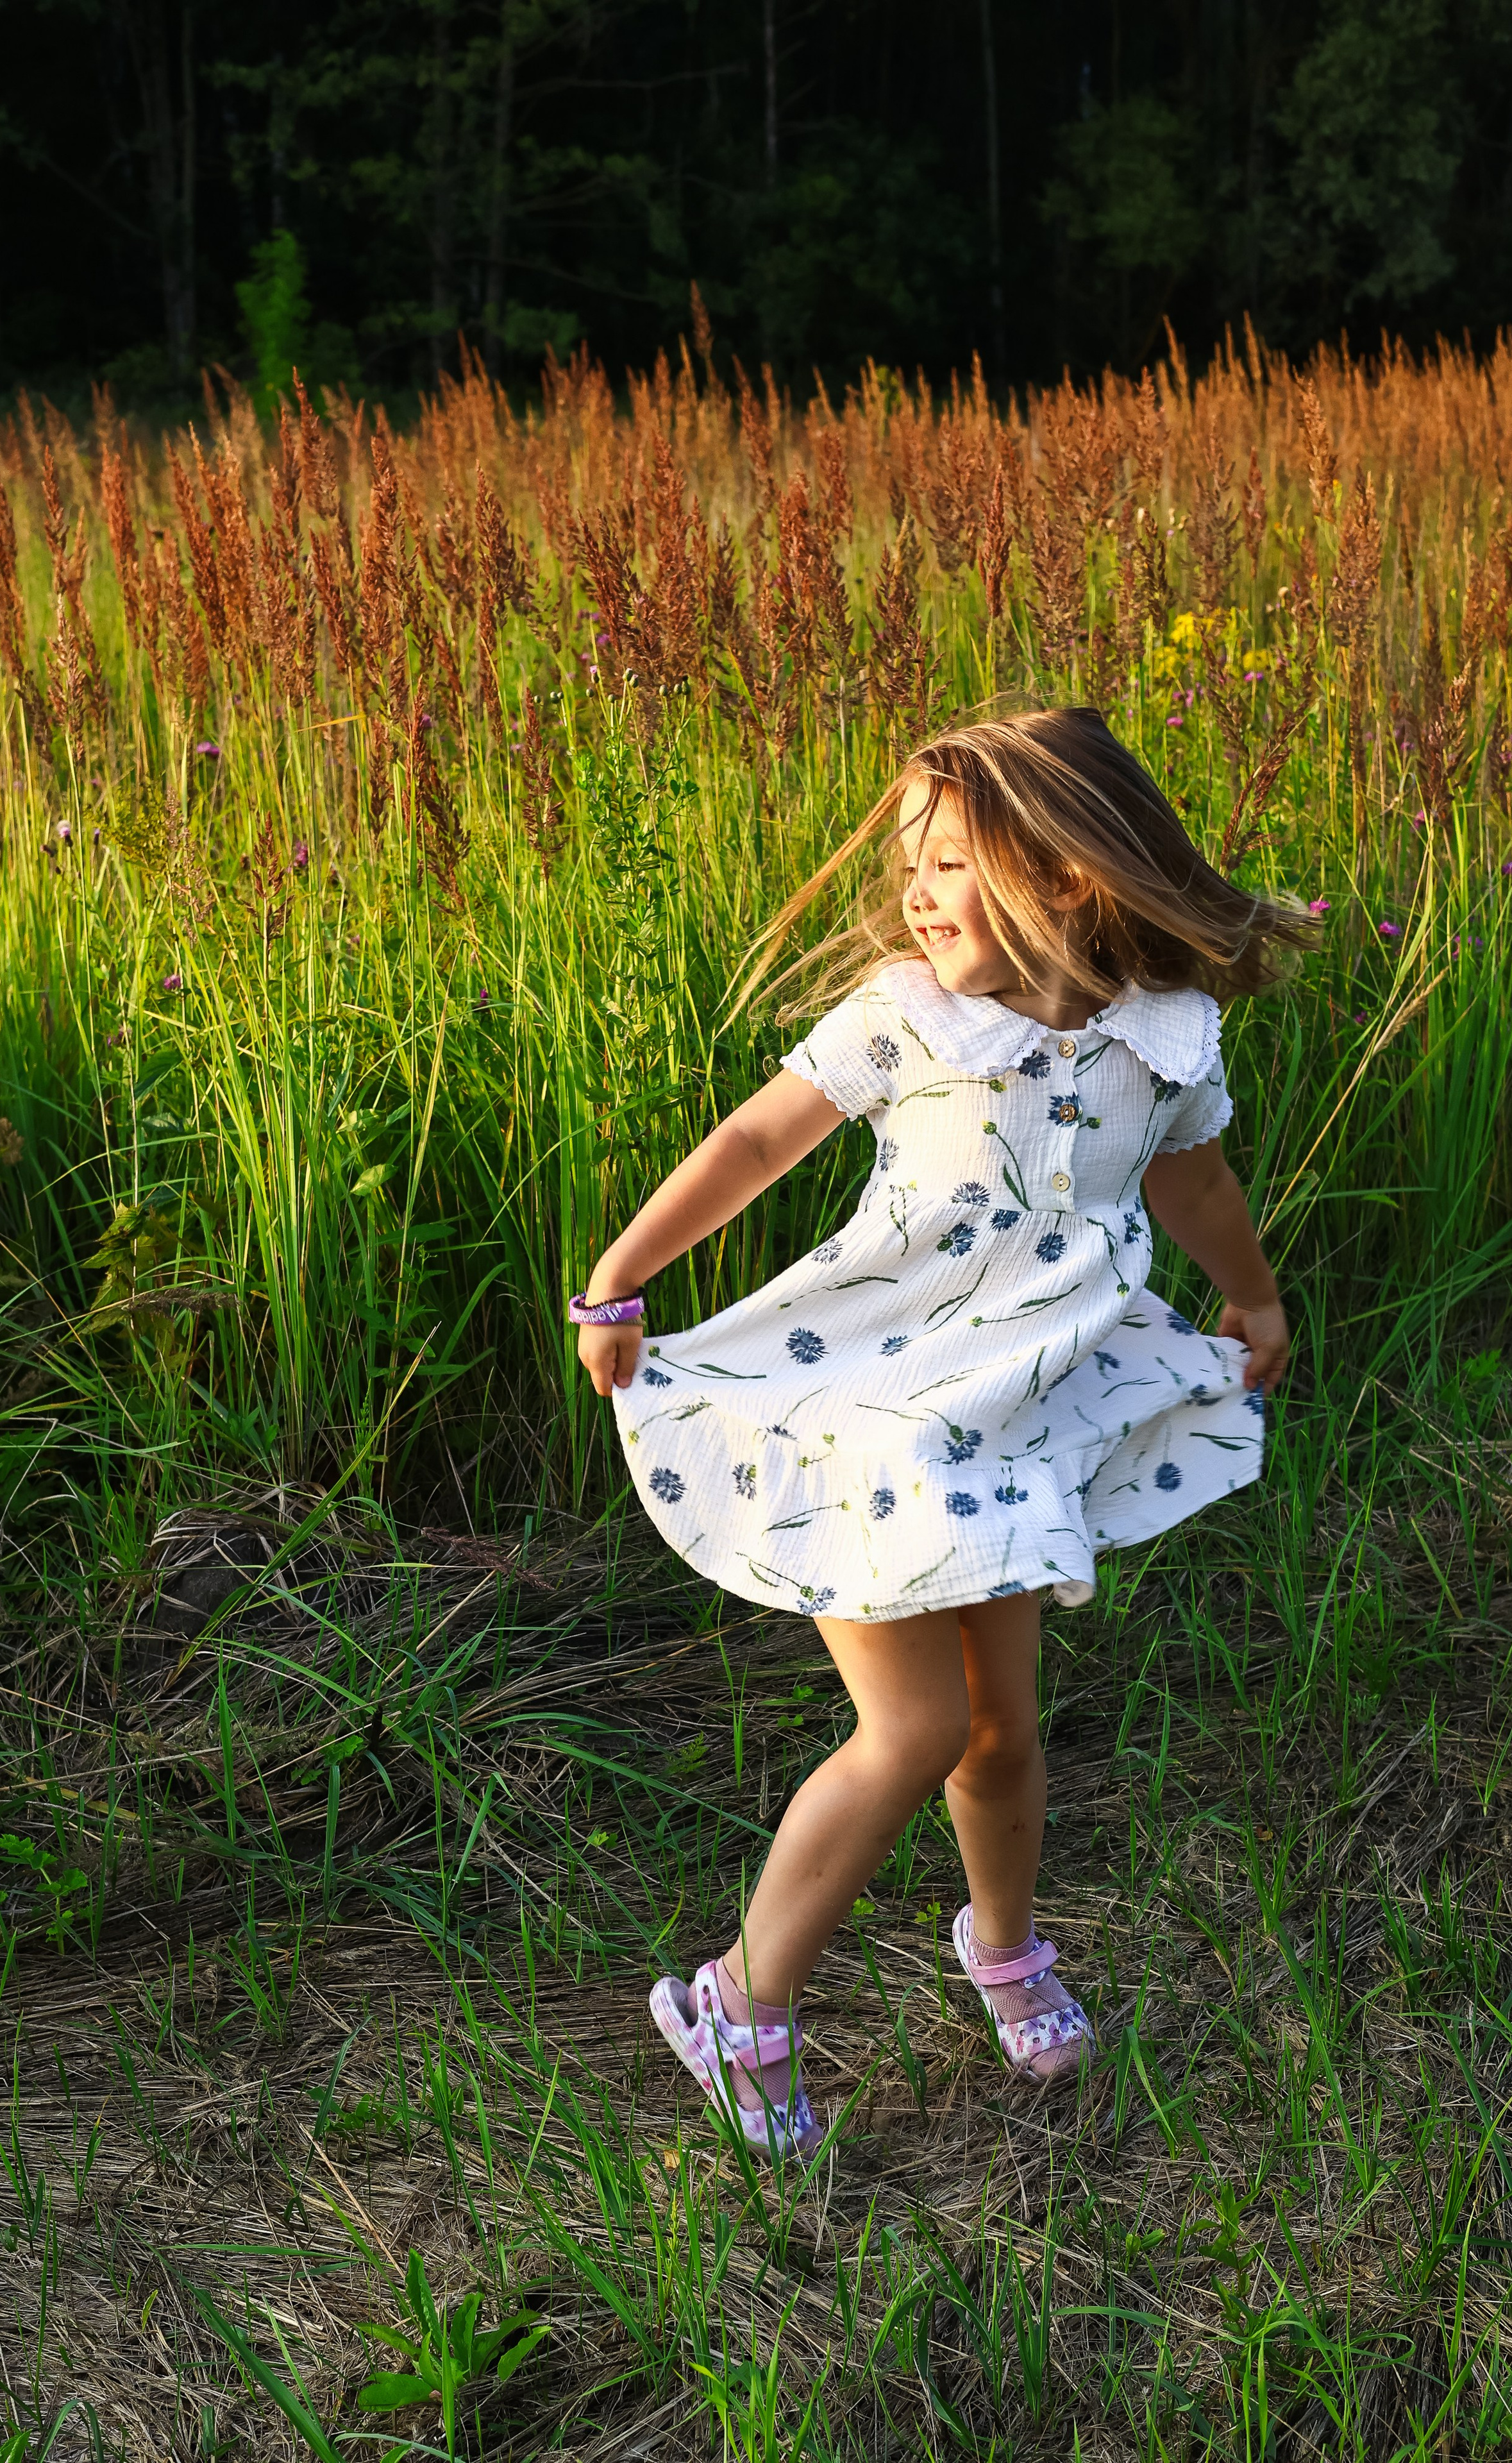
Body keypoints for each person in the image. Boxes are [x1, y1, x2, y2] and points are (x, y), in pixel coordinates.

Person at [569, 707, 1305, 2155]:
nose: (914, 890)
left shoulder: (1156, 1040)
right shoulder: (906, 1015)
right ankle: (738, 2002)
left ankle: (1004, 1945)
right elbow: (752, 1142)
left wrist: (1253, 1297)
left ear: (1074, 879)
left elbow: (1191, 1185)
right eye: (911, 858)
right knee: (908, 1727)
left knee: (996, 1732)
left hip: (1015, 1408)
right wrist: (617, 1276)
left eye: (952, 860)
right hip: (869, 1407)